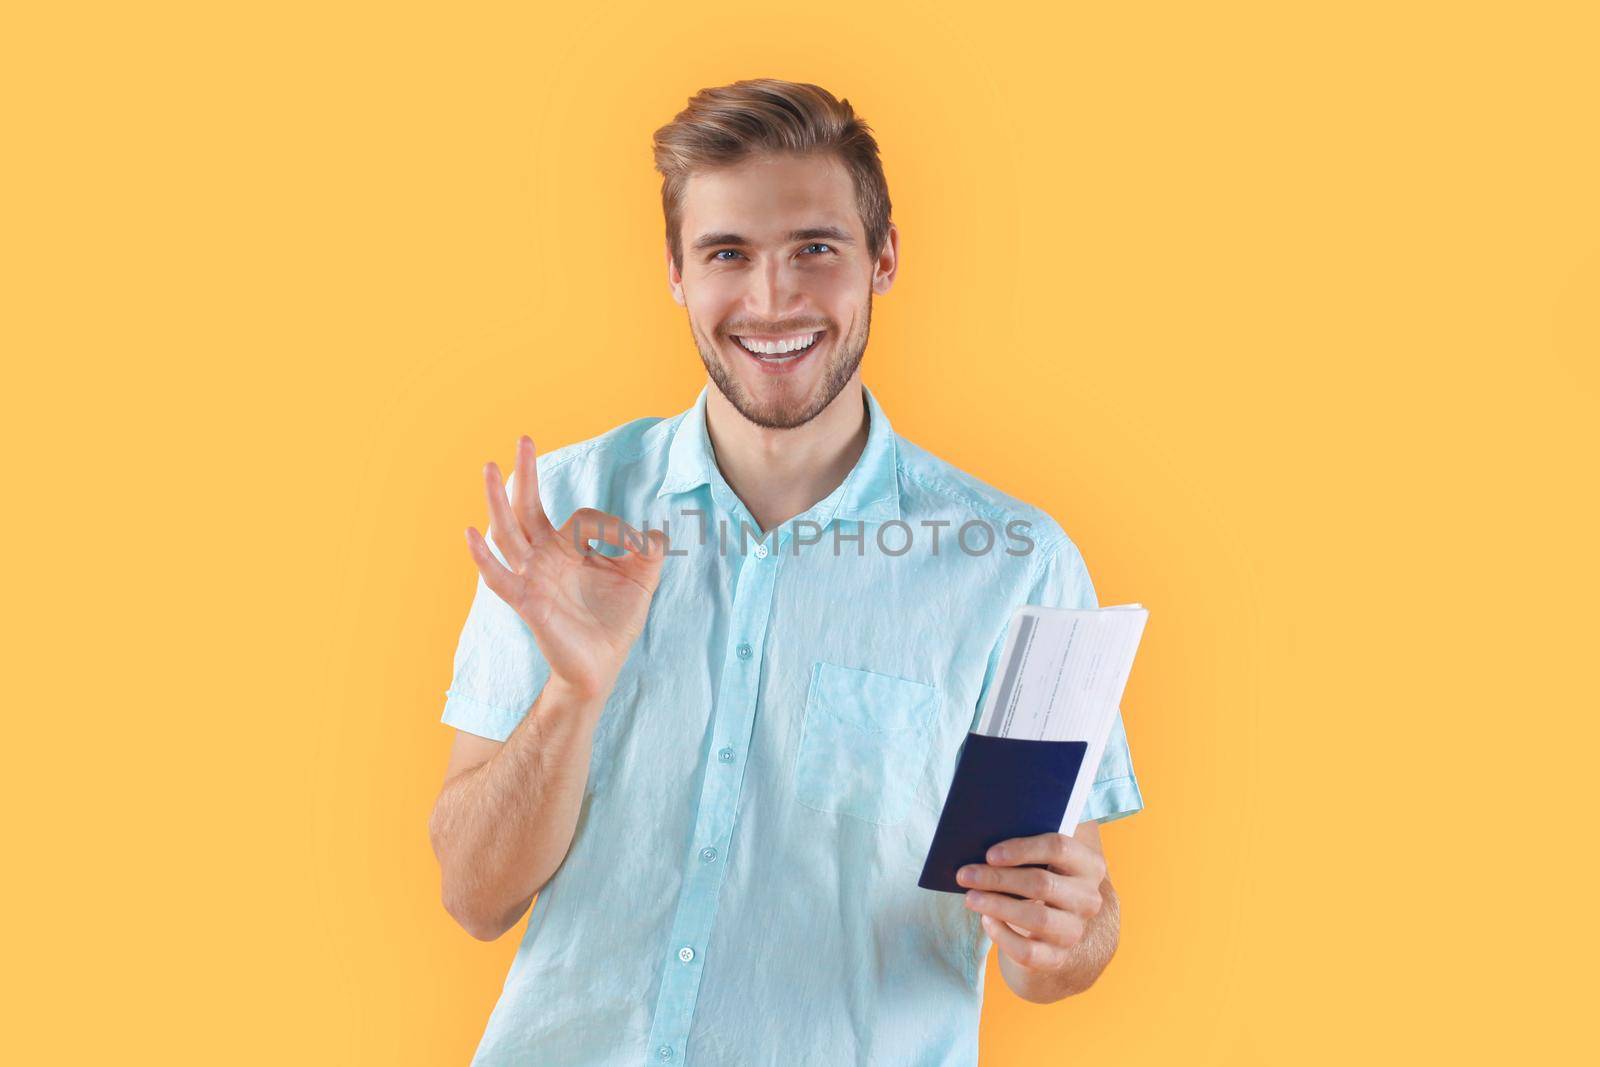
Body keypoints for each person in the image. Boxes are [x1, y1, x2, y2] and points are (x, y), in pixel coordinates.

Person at [428, 77, 1145, 1066]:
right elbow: (473, 896)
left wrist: (1067, 931)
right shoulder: (563, 514)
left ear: (882, 258)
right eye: (728, 253)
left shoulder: (1013, 567)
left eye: (815, 247)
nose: (772, 299)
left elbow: (1063, 934)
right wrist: (574, 691)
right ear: (676, 272)